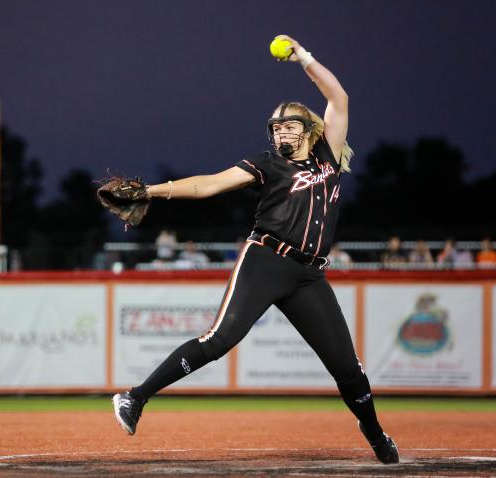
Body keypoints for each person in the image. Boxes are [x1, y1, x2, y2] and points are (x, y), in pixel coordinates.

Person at [112, 34, 398, 464]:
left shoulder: (328, 155)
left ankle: (375, 433)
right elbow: (209, 184)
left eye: (289, 125)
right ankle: (135, 397)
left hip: (309, 275)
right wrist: (152, 191)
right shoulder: (267, 164)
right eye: (276, 126)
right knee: (218, 339)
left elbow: (338, 96)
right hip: (265, 258)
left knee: (347, 367)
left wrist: (303, 57)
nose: (281, 131)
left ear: (310, 130)